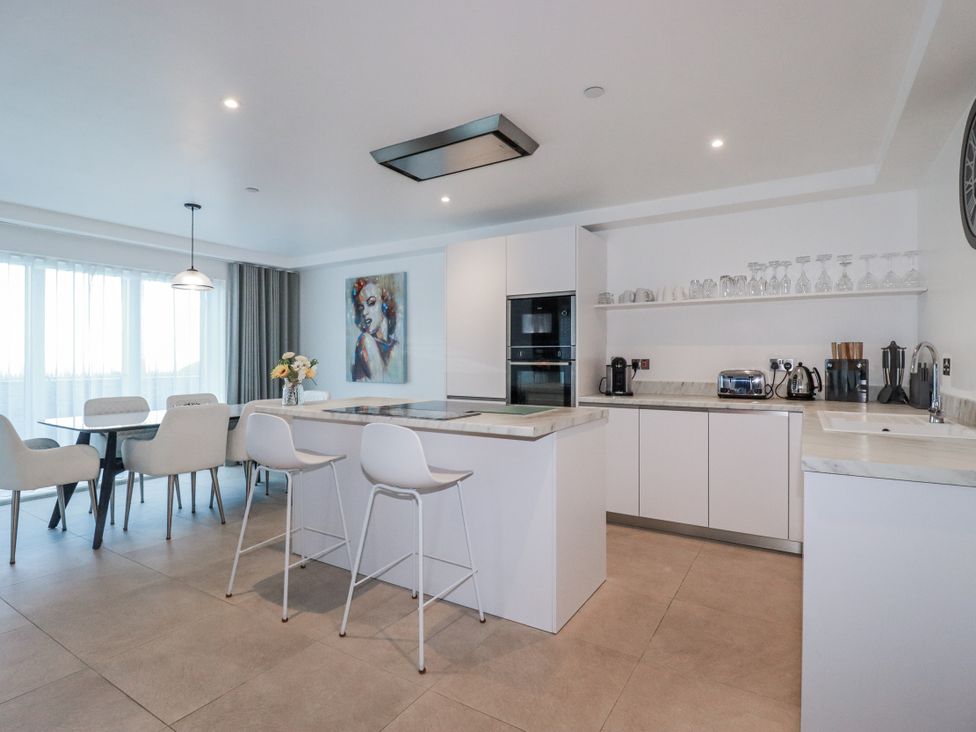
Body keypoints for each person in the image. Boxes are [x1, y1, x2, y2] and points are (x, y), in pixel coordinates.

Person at [350, 276, 400, 381]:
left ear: (385, 304)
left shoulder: (396, 346)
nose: (364, 312)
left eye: (371, 303)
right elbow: (380, 381)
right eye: (361, 307)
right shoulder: (365, 340)